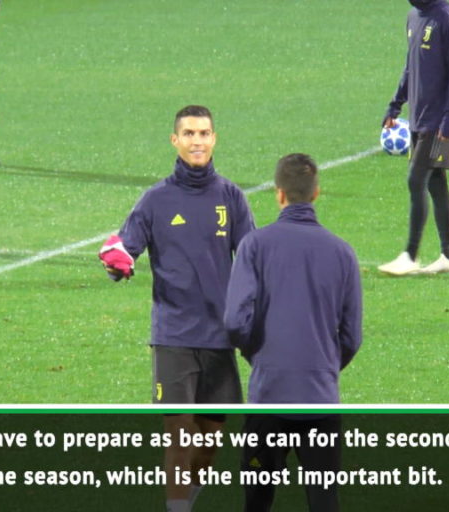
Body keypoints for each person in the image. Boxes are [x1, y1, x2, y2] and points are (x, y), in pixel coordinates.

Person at [99, 105, 255, 512]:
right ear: (175, 140)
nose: (196, 141)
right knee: (179, 433)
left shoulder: (231, 197)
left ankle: (186, 501)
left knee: (210, 439)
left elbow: (252, 260)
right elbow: (123, 251)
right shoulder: (155, 200)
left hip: (219, 335)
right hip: (173, 336)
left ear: (214, 138)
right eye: (188, 134)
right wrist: (116, 263)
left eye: (203, 133)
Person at [224, 153, 362, 511]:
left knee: (257, 502)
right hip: (321, 400)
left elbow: (235, 321)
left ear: (279, 193)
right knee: (324, 501)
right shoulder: (343, 253)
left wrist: (259, 356)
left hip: (269, 398)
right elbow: (352, 336)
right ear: (316, 193)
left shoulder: (254, 246)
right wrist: (324, 366)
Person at [378, 0, 449, 275]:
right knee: (436, 182)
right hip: (418, 118)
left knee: (416, 179)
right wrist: (395, 104)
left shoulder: (446, 17)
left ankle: (410, 255)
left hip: (439, 122)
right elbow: (411, 65)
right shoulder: (413, 16)